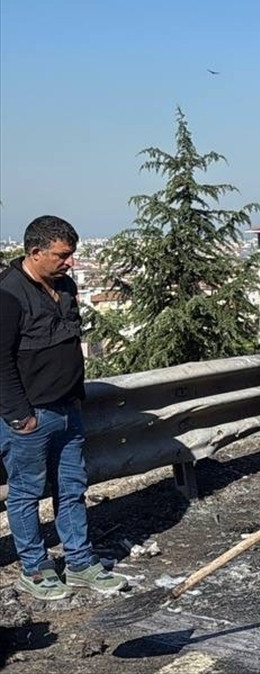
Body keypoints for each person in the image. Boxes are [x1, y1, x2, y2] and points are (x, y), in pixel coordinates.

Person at [0, 215, 128, 600]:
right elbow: (1, 361)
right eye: (62, 255)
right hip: (30, 416)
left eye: (71, 255)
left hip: (68, 410)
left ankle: (79, 563)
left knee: (72, 489)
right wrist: (21, 416)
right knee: (25, 494)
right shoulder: (8, 295)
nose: (69, 262)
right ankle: (35, 569)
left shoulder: (66, 287)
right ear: (35, 252)